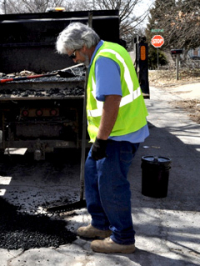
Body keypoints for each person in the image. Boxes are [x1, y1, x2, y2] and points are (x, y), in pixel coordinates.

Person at [56, 23, 149, 253]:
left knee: (112, 186)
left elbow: (112, 100)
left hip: (119, 135)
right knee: (91, 174)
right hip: (115, 133)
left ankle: (123, 238)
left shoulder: (104, 60)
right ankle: (101, 225)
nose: (74, 60)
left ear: (85, 46)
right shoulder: (110, 49)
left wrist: (101, 140)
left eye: (74, 54)